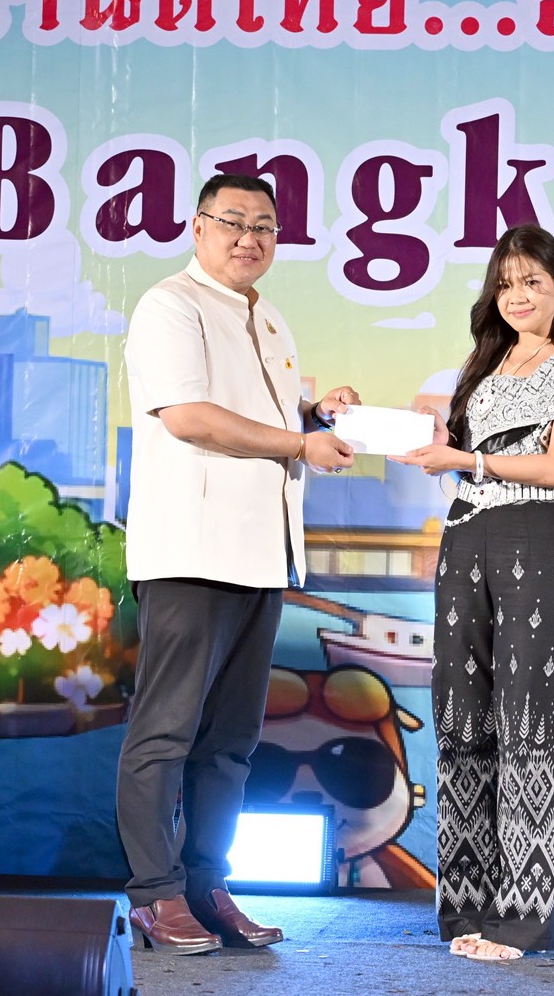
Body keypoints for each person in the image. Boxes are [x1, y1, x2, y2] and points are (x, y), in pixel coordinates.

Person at [392, 224, 554, 961]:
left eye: (532, 282)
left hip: (535, 541)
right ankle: (468, 908)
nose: (517, 297)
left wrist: (465, 458)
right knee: (461, 720)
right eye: (505, 284)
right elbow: (461, 450)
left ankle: (527, 919)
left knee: (529, 724)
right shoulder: (486, 363)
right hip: (465, 539)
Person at [119, 172, 359, 954]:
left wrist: (316, 415)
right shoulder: (171, 305)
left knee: (230, 743)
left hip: (262, 556)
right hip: (191, 551)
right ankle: (154, 894)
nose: (247, 238)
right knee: (166, 732)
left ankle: (205, 884)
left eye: (263, 226)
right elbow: (189, 416)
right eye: (232, 221)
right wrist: (300, 442)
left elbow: (260, 416)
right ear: (198, 227)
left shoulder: (269, 316)